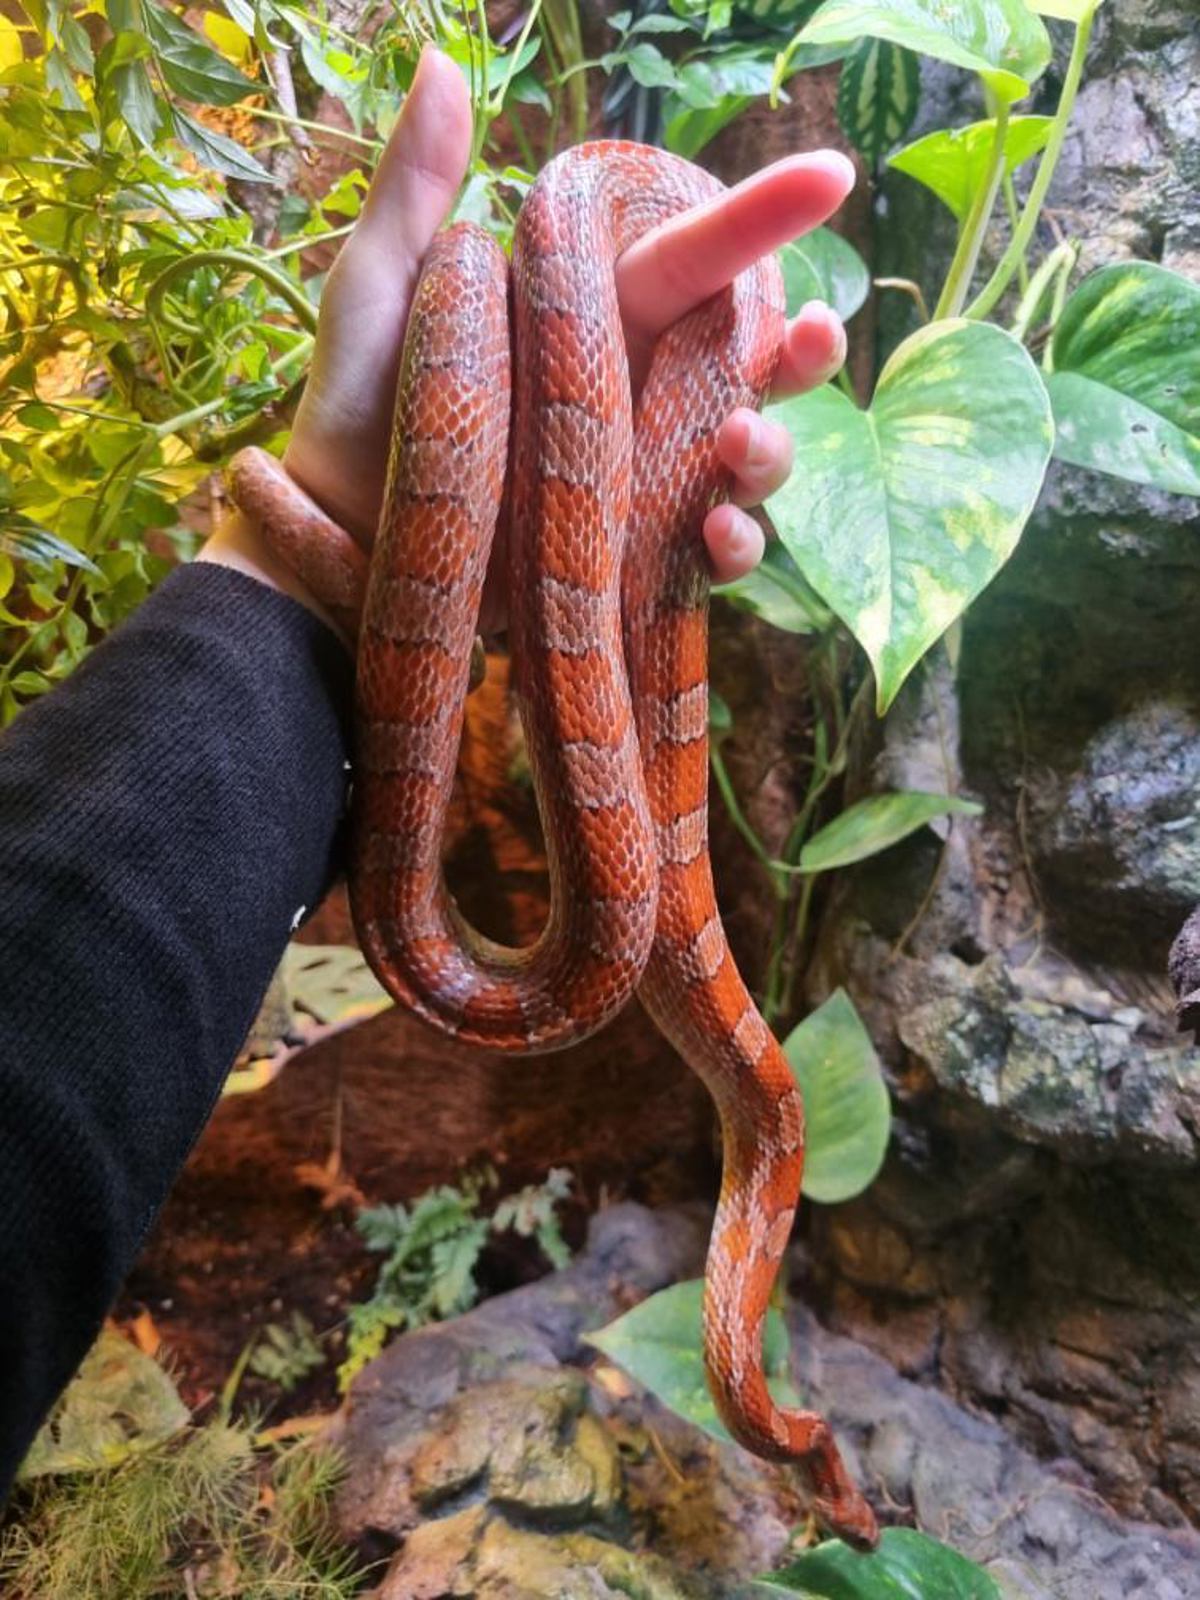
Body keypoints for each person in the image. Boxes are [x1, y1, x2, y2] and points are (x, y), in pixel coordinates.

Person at [0, 47, 854, 1500]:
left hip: (422, 512)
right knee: (622, 454)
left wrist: (305, 540)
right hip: (462, 438)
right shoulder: (532, 241)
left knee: (667, 529)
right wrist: (313, 531)